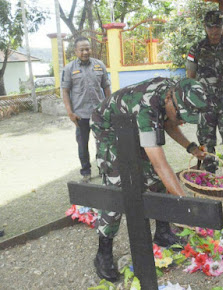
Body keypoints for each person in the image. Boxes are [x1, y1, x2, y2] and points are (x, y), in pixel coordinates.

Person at [91, 77, 207, 281]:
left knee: (156, 180)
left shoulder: (171, 93)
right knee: (118, 186)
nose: (182, 121)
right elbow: (161, 165)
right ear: (171, 99)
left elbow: (169, 122)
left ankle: (162, 232)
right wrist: (187, 207)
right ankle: (103, 252)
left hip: (132, 126)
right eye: (181, 116)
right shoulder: (147, 107)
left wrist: (190, 147)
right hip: (107, 127)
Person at [186, 10, 223, 187]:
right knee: (206, 142)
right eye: (210, 27)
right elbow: (190, 77)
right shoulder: (196, 49)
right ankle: (210, 176)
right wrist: (190, 102)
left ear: (222, 26)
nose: (214, 31)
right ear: (205, 27)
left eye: (217, 26)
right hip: (205, 105)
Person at [62, 36, 111, 183]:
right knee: (83, 144)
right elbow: (65, 91)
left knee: (103, 143)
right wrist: (70, 112)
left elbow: (106, 87)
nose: (85, 52)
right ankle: (86, 172)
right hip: (80, 114)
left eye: (87, 48)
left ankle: (104, 169)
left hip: (99, 113)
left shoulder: (99, 65)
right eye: (82, 49)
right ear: (76, 51)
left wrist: (109, 106)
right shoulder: (69, 68)